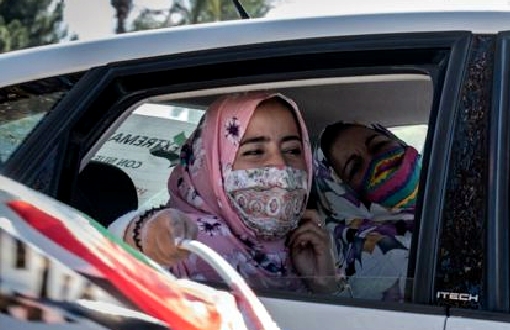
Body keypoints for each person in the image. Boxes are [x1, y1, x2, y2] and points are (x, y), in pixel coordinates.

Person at [112, 91, 343, 294]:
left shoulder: (308, 247)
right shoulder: (185, 241)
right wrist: (142, 236)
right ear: (211, 166)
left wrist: (325, 286)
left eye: (292, 150)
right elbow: (112, 259)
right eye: (254, 152)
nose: (280, 166)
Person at [313, 121, 419, 301]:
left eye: (379, 145)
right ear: (344, 195)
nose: (378, 161)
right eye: (354, 168)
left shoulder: (461, 189)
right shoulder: (364, 257)